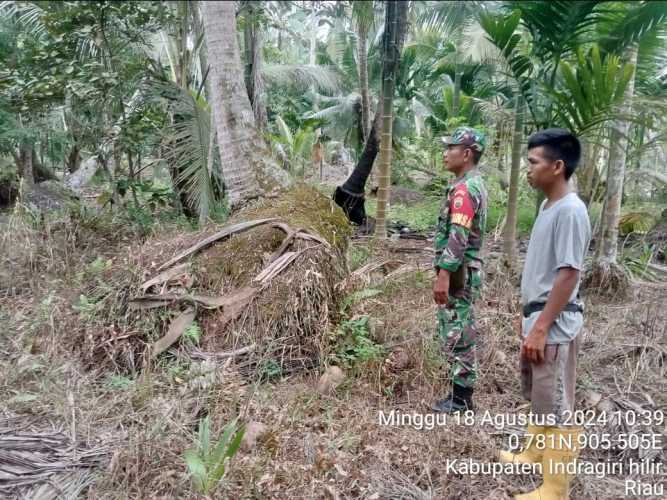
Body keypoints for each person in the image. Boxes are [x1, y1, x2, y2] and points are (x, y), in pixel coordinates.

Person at [497, 128, 591, 500]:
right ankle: (535, 453)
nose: (528, 169)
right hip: (538, 318)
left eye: (533, 163)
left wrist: (542, 327)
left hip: (552, 323)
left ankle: (555, 488)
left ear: (557, 166)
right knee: (539, 393)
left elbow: (569, 274)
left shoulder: (571, 211)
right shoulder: (548, 206)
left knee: (557, 405)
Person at [431, 126, 488, 414]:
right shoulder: (470, 185)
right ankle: (459, 394)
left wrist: (443, 274)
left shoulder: (465, 190)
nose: (445, 153)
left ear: (466, 154)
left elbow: (458, 236)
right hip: (463, 270)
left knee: (459, 330)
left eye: (450, 148)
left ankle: (461, 399)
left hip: (458, 273)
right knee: (458, 327)